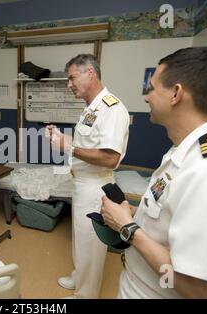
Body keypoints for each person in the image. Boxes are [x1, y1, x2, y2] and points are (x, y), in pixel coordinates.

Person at [100, 47, 207, 298]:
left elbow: (205, 292)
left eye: (152, 88)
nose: (147, 97)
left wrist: (128, 228)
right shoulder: (185, 151)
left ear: (176, 93)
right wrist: (136, 215)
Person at [46, 54, 130, 298]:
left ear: (90, 73)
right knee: (81, 241)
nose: (69, 84)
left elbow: (109, 158)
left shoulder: (112, 109)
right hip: (81, 183)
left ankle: (86, 294)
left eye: (72, 78)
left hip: (95, 187)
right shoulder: (91, 109)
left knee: (91, 246)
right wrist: (61, 139)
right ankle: (78, 277)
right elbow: (88, 145)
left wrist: (68, 147)